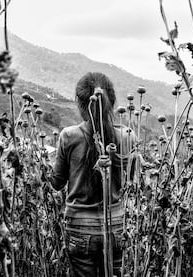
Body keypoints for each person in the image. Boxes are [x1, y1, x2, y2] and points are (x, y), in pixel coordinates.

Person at [50, 72, 135, 277]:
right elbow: (133, 181)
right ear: (111, 102)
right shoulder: (126, 136)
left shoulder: (69, 136)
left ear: (80, 103)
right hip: (116, 226)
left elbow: (57, 183)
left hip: (79, 228)